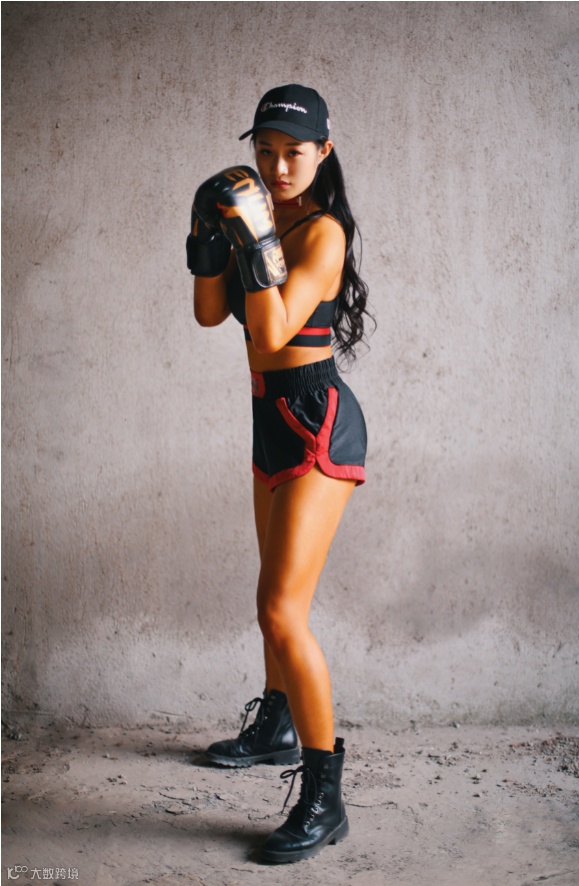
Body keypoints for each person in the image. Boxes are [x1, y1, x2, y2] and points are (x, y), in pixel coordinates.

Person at [187, 84, 372, 864]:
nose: (278, 166)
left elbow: (269, 330)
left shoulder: (322, 233)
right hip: (270, 420)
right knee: (272, 600)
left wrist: (255, 235)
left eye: (294, 152)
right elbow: (209, 313)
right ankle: (276, 725)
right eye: (265, 151)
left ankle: (325, 797)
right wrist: (206, 236)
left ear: (323, 151)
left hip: (317, 420)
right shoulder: (263, 213)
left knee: (282, 611)